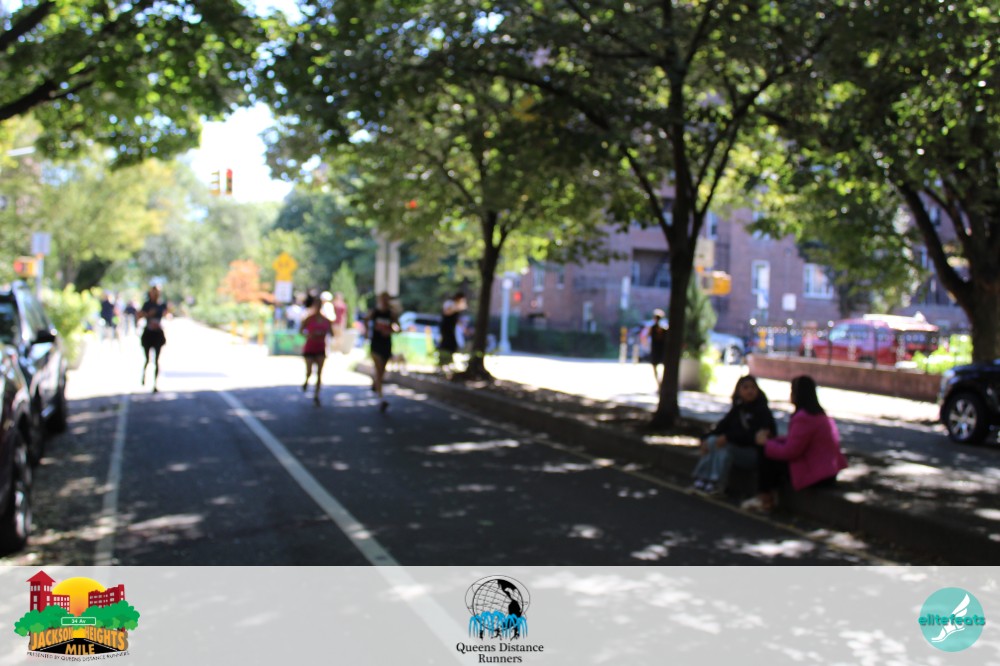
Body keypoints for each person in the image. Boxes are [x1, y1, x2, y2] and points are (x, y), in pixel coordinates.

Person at [744, 375, 848, 512]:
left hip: (817, 474)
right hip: (828, 471)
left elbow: (791, 451)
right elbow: (796, 440)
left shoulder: (803, 418)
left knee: (767, 455)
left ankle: (765, 498)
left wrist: (766, 444)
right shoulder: (819, 415)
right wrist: (774, 440)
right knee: (770, 451)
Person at [690, 375, 776, 496]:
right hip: (736, 448)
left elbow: (754, 436)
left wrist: (729, 437)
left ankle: (716, 483)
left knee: (725, 449)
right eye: (745, 387)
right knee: (712, 442)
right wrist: (705, 439)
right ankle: (703, 479)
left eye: (752, 387)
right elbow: (721, 428)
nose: (750, 391)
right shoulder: (738, 410)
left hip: (754, 453)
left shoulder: (762, 411)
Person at [366, 292, 398, 413]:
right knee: (379, 370)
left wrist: (390, 331)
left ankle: (376, 382)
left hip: (386, 345)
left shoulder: (391, 313)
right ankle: (381, 398)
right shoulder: (374, 312)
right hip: (376, 344)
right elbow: (366, 320)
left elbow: (398, 327)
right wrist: (367, 332)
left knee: (382, 371)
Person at [299, 295, 335, 406]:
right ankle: (306, 380)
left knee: (319, 373)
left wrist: (323, 333)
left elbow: (332, 333)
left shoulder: (326, 320)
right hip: (310, 347)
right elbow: (301, 331)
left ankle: (316, 395)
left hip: (321, 347)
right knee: (309, 371)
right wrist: (310, 335)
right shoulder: (309, 319)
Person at [137, 285, 169, 392]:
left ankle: (155, 384)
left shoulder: (162, 305)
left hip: (157, 334)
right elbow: (139, 315)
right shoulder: (147, 304)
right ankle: (144, 376)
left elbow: (167, 315)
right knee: (147, 359)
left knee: (156, 360)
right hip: (148, 334)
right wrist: (147, 314)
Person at [438, 292, 467, 373]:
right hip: (446, 328)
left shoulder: (455, 307)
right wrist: (457, 308)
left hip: (452, 329)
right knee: (445, 344)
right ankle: (442, 363)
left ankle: (449, 362)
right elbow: (446, 312)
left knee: (452, 345)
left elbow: (457, 320)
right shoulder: (450, 303)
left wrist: (464, 329)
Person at [646, 309, 668, 386]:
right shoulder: (654, 328)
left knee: (656, 366)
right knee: (656, 366)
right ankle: (659, 383)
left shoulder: (663, 329)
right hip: (658, 349)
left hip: (659, 350)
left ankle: (660, 383)